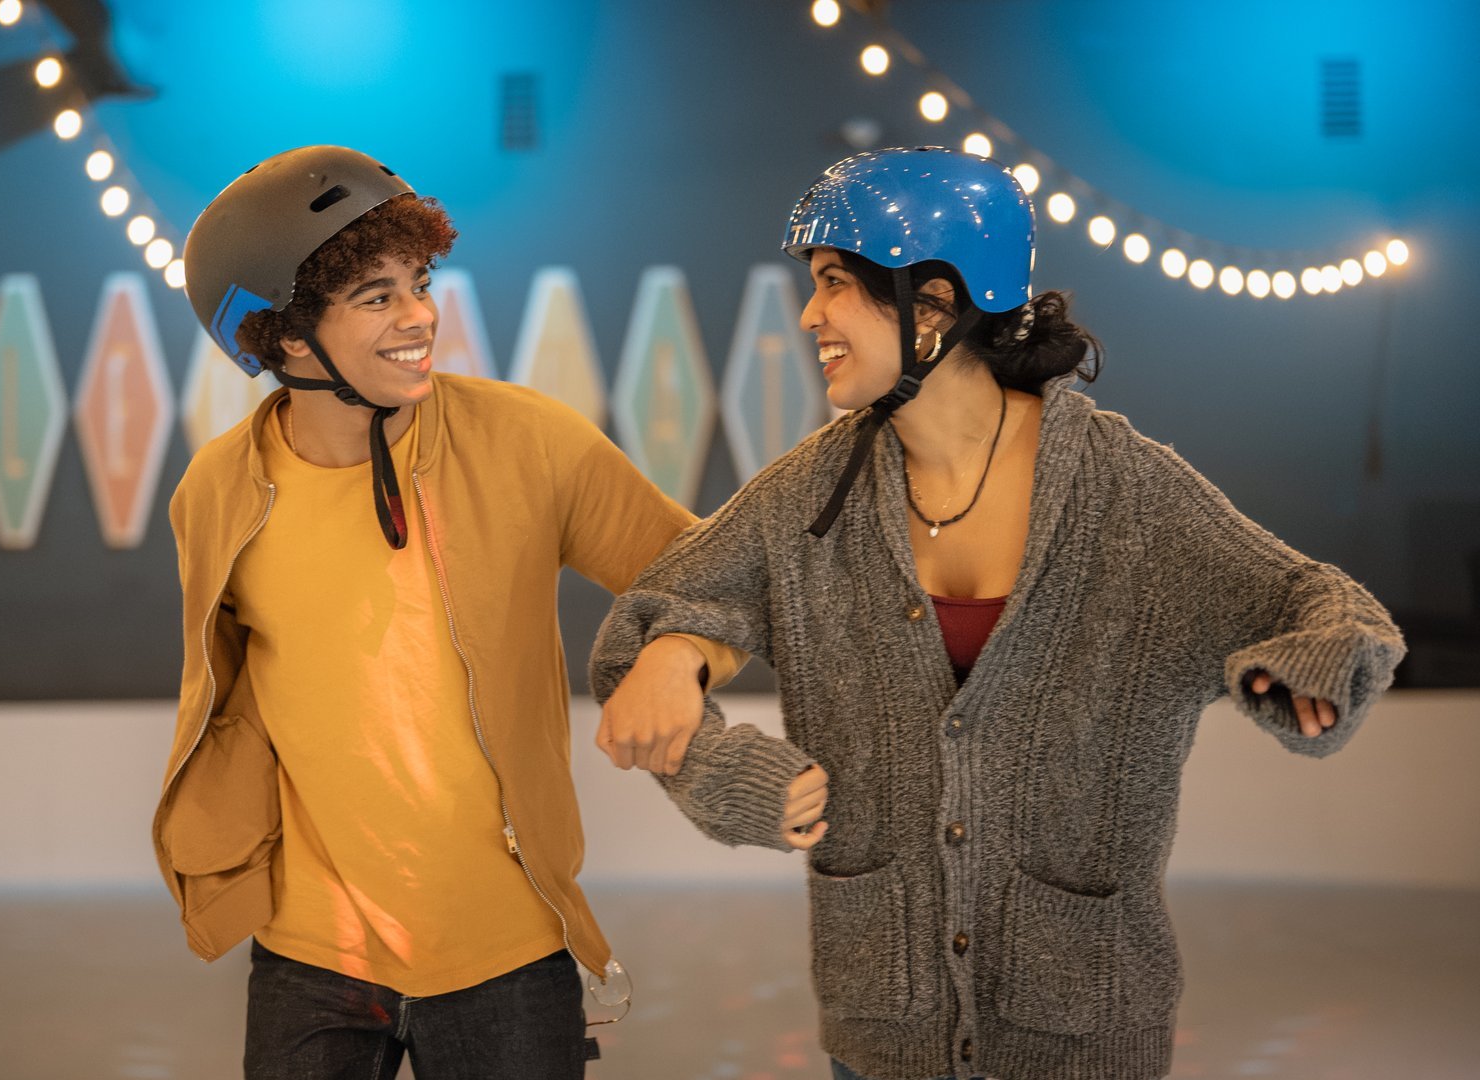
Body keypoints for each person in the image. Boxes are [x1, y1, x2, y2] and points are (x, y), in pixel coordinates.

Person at [590, 146, 1404, 1080]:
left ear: (933, 304)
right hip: (884, 1031)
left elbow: (1320, 605)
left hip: (1083, 1027)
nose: (809, 315)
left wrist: (1316, 663)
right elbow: (644, 635)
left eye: (833, 286)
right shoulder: (805, 496)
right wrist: (710, 746)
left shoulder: (1125, 493)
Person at [152, 144, 741, 1080]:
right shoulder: (217, 492)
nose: (421, 316)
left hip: (505, 949)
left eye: (419, 283)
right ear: (289, 334)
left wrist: (677, 658)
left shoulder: (527, 441)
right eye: (376, 297)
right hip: (311, 951)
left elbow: (715, 575)